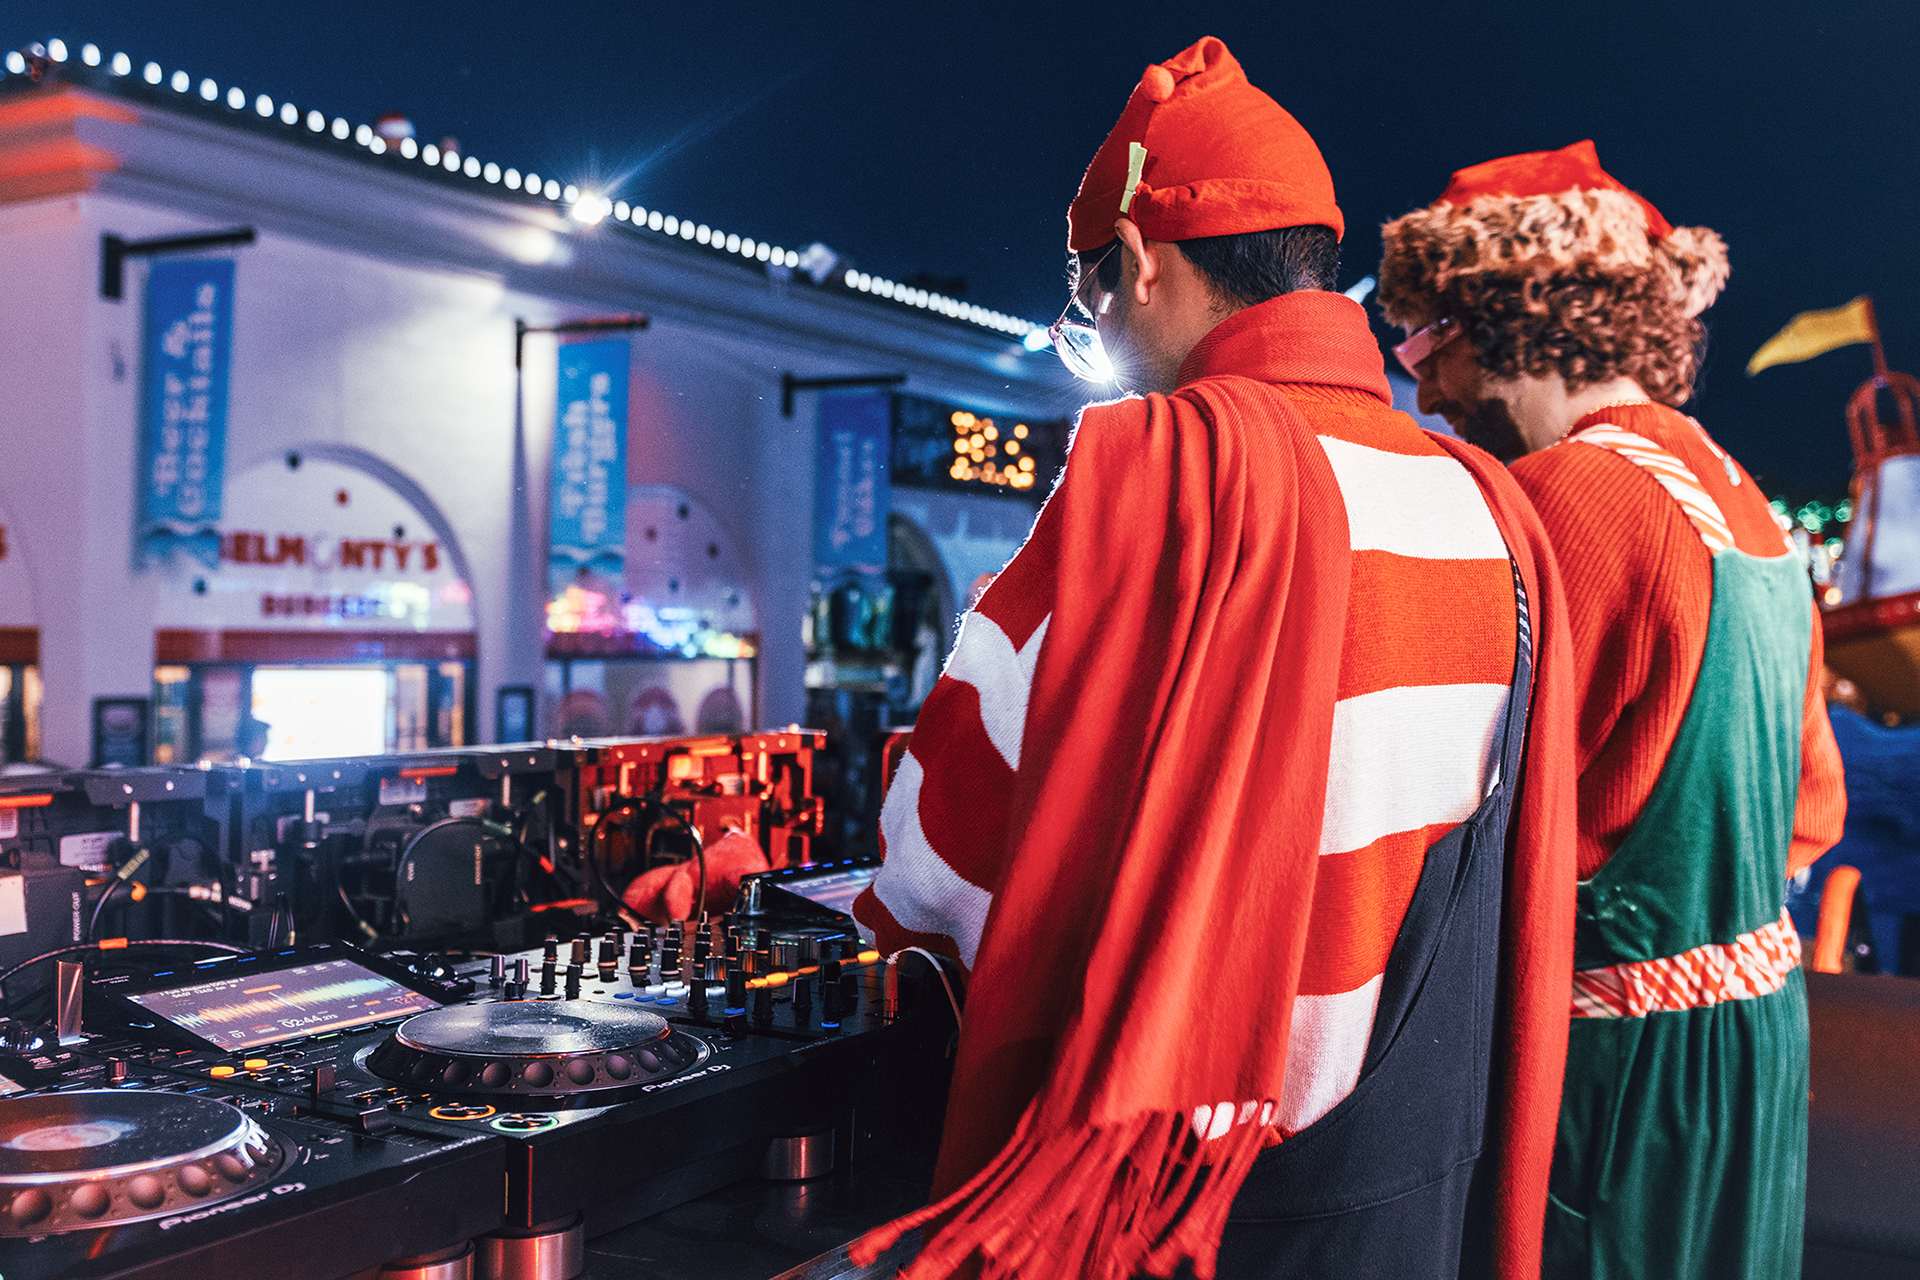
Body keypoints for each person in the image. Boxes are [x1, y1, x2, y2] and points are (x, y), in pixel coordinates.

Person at [849, 37, 1578, 1280]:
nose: (1101, 339)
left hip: (1194, 1211)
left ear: (1136, 262)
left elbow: (936, 873)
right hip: (1415, 1198)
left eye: (1088, 305)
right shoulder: (1490, 507)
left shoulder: (1155, 478)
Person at [1379, 141, 1848, 1279]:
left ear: (1513, 306)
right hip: (1751, 1047)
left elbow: (1443, 829)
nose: (1425, 390)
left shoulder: (1566, 498)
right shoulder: (1745, 500)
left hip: (1610, 1072)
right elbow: (1813, 812)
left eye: (1428, 341)